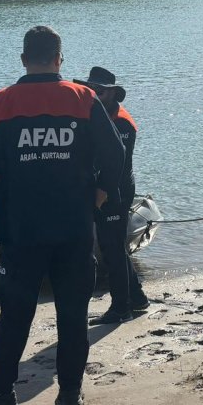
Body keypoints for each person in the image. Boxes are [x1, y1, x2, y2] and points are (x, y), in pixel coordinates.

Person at [0, 26, 125, 405]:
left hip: (21, 230)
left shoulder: (0, 103)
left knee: (15, 314)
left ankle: (2, 393)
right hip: (73, 227)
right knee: (72, 314)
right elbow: (116, 153)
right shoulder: (84, 98)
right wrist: (102, 191)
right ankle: (69, 393)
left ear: (24, 59)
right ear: (59, 59)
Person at [76, 67, 151, 325]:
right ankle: (138, 298)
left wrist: (103, 192)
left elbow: (116, 162)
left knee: (113, 250)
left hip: (115, 190)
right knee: (115, 246)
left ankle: (121, 308)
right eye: (91, 88)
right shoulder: (99, 114)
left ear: (112, 92)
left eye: (100, 90)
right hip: (106, 188)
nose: (94, 93)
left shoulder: (121, 122)